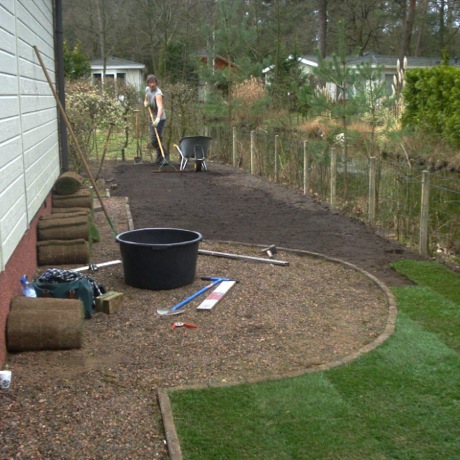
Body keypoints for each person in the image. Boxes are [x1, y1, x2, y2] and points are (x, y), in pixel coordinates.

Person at [144, 75, 169, 164]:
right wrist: (146, 103)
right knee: (155, 139)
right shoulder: (147, 89)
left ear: (156, 83)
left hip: (160, 118)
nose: (152, 84)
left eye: (154, 82)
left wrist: (157, 119)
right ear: (148, 83)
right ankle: (159, 158)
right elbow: (146, 98)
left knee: (155, 139)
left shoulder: (158, 94)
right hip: (152, 117)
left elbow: (160, 107)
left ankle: (165, 156)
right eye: (150, 83)